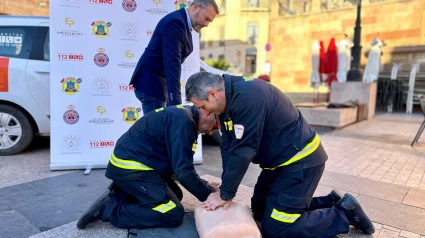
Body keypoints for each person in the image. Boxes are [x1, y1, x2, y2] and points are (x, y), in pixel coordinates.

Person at [185, 72, 375, 238]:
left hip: (300, 162)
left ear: (212, 94)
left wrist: (226, 194)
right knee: (259, 210)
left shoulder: (248, 100)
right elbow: (228, 147)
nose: (203, 112)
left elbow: (243, 151)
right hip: (278, 164)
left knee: (277, 229)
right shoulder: (227, 102)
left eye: (202, 106)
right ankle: (328, 202)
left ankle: (343, 214)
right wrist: (225, 188)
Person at [76, 105, 219, 229]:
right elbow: (183, 172)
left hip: (136, 164)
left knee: (176, 194)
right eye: (216, 125)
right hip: (132, 168)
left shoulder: (185, 117)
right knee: (172, 213)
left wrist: (203, 185)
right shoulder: (185, 122)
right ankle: (110, 209)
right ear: (208, 112)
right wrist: (210, 197)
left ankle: (122, 194)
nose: (212, 131)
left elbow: (179, 165)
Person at [129, 0, 219, 114]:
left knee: (161, 128)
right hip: (151, 84)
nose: (206, 24)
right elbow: (172, 62)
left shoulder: (183, 23)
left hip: (158, 85)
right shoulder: (176, 22)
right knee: (157, 130)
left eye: (209, 21)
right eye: (206, 18)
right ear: (196, 7)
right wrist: (176, 104)